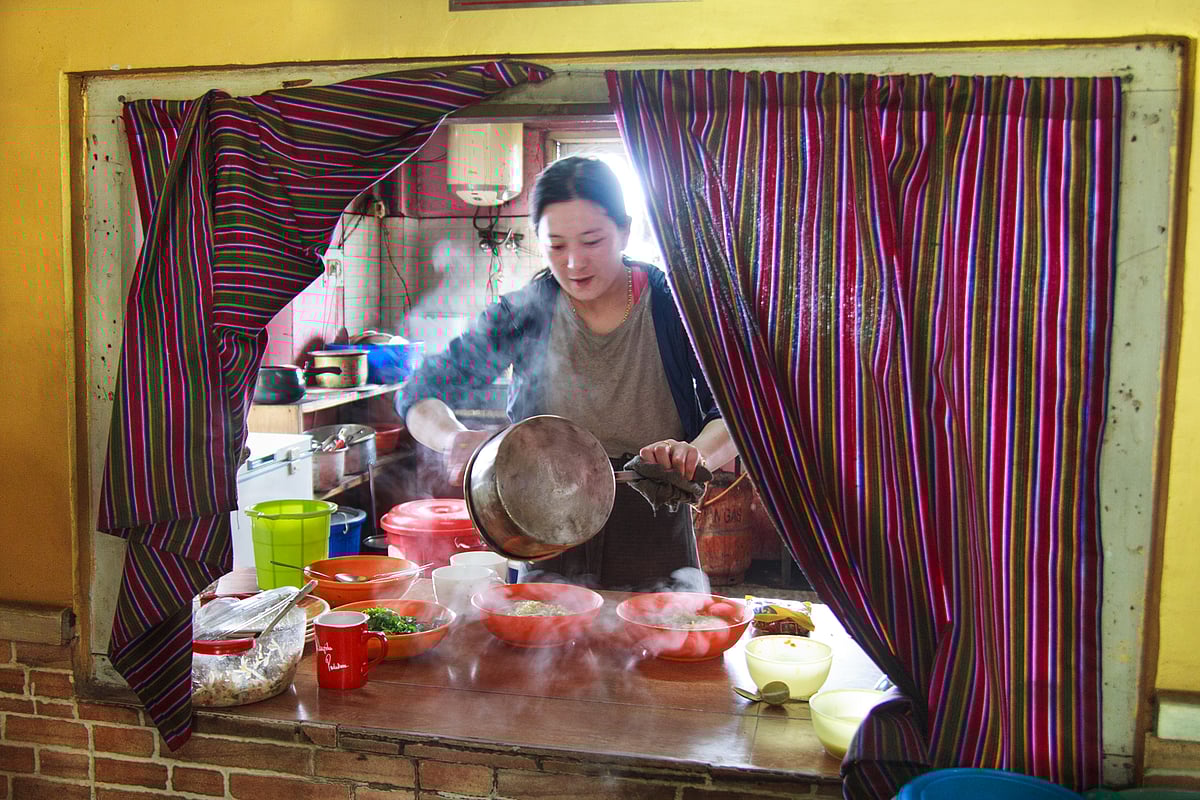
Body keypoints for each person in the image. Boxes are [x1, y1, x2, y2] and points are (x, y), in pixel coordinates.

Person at [396, 156, 736, 590]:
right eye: (556, 245)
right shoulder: (526, 312)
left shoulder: (676, 308)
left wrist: (695, 454)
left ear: (625, 231)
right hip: (541, 515)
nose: (574, 263)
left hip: (654, 514)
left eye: (592, 240)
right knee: (546, 645)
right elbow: (419, 392)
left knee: (662, 644)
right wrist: (453, 437)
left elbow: (733, 410)